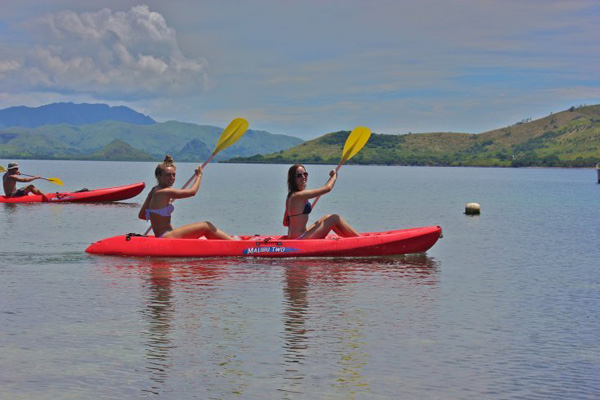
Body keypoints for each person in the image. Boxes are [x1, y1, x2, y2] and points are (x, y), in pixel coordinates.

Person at [139, 155, 233, 239]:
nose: (172, 178)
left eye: (174, 175)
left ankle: (229, 242)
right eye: (168, 175)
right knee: (206, 226)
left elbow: (142, 215)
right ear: (158, 176)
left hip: (167, 235)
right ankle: (235, 245)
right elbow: (192, 192)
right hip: (167, 237)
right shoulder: (165, 192)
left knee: (201, 236)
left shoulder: (154, 190)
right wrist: (199, 176)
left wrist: (158, 216)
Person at [283, 164, 359, 239]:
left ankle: (349, 239)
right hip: (299, 239)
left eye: (305, 174)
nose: (303, 177)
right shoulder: (298, 195)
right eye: (299, 175)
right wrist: (334, 175)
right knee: (334, 218)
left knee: (327, 217)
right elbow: (327, 188)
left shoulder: (290, 196)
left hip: (297, 236)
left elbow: (285, 222)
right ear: (293, 179)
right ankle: (360, 240)